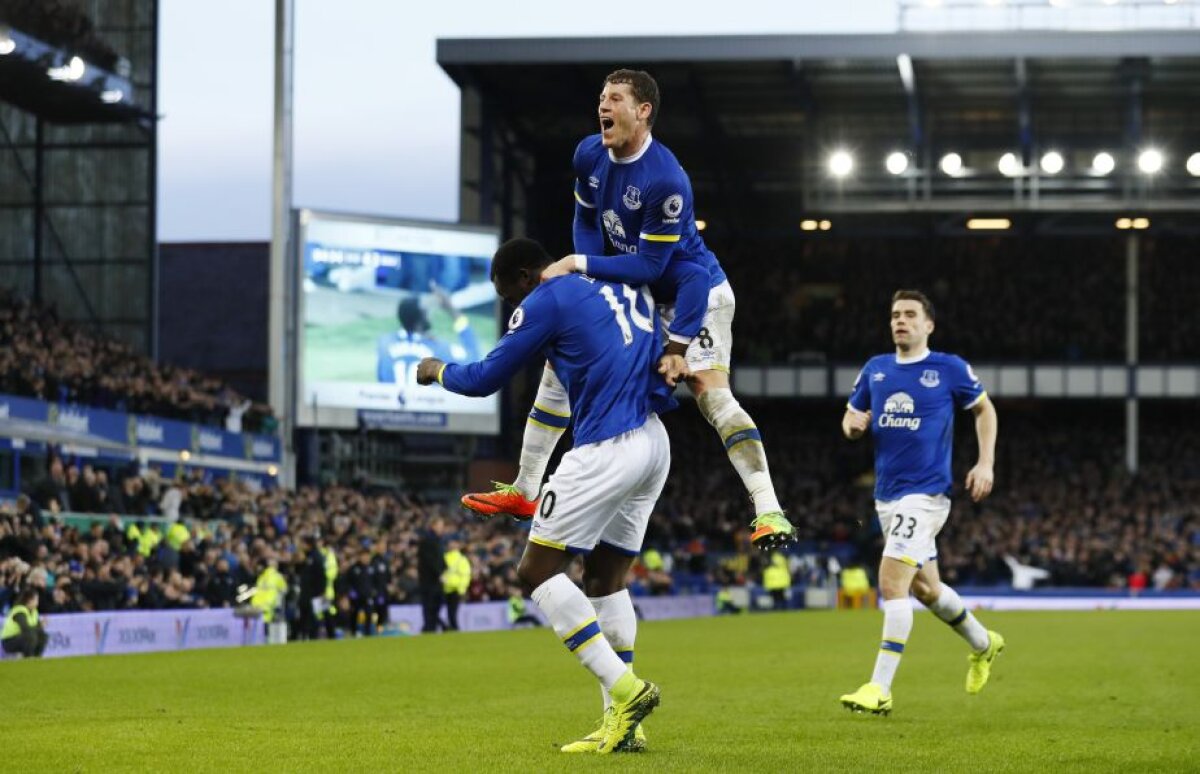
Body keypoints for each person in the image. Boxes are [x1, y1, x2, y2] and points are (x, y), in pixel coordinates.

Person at [461, 68, 794, 550]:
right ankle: (526, 488)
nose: (603, 106)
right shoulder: (589, 154)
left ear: (643, 112)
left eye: (615, 98)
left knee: (709, 391)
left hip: (693, 295)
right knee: (560, 365)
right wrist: (593, 277)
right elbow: (586, 217)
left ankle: (769, 510)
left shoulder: (666, 180)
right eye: (601, 97)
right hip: (639, 288)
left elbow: (668, 268)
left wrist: (675, 343)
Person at [416, 237, 669, 754]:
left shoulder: (545, 300)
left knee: (534, 571)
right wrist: (525, 482)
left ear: (527, 276)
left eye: (509, 294)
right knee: (603, 577)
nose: (514, 307)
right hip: (655, 440)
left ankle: (628, 691)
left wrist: (437, 369)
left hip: (606, 447)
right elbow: (550, 407)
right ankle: (624, 727)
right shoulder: (601, 289)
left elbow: (484, 378)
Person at [838, 290, 1004, 717]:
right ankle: (985, 644)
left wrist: (985, 463)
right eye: (895, 314)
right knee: (927, 590)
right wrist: (852, 426)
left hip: (927, 495)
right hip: (886, 497)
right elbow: (851, 419)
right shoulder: (876, 370)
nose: (900, 321)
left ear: (928, 325)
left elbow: (985, 411)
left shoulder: (948, 368)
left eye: (910, 314)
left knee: (892, 582)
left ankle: (880, 687)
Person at [376, 282, 479, 386]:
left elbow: (382, 378)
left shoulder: (384, 344)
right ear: (419, 323)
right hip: (427, 401)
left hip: (391, 401)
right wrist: (452, 311)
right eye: (426, 312)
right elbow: (473, 361)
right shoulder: (438, 348)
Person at [416, 517, 447, 633]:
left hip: (436, 580)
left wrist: (445, 567)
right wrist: (439, 573)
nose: (442, 528)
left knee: (436, 604)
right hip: (428, 580)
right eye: (440, 525)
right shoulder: (427, 540)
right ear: (433, 526)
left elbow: (440, 558)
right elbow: (430, 560)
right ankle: (429, 628)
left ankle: (431, 627)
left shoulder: (438, 540)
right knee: (429, 605)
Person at [1, 587, 48, 658]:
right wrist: (40, 626)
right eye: (36, 600)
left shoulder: (34, 611)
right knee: (30, 636)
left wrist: (40, 626)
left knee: (43, 636)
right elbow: (25, 629)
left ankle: (37, 657)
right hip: (9, 640)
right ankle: (28, 658)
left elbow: (36, 628)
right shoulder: (19, 611)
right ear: (29, 600)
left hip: (22, 637)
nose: (37, 602)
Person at [441, 539, 471, 631]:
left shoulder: (448, 557)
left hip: (450, 588)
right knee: (451, 612)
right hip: (450, 588)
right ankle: (453, 628)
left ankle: (453, 628)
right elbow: (466, 575)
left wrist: (461, 589)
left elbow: (465, 575)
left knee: (451, 612)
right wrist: (462, 589)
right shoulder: (460, 559)